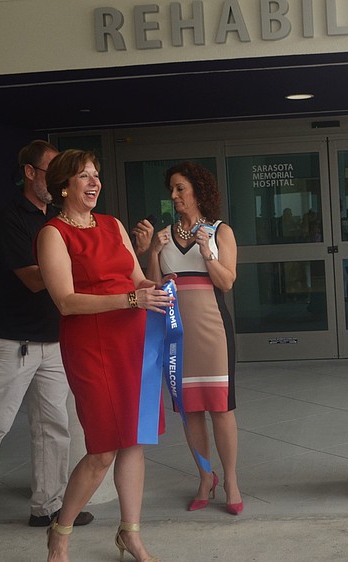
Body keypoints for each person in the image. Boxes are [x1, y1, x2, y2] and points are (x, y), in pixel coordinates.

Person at [37, 149, 172, 562]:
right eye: (84, 177)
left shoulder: (113, 225)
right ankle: (60, 533)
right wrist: (132, 297)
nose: (95, 183)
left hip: (132, 341)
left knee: (135, 441)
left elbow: (138, 280)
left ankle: (130, 534)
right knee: (101, 450)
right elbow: (65, 301)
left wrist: (165, 287)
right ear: (64, 186)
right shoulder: (53, 233)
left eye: (96, 175)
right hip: (90, 345)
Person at [0, 141, 94, 556]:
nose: (57, 178)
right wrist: (82, 265)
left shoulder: (58, 218)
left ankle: (48, 506)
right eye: (51, 170)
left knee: (54, 427)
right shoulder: (9, 218)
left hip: (55, 340)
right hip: (11, 342)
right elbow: (36, 279)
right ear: (30, 173)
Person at [136, 162, 243, 516]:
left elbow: (227, 282)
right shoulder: (164, 235)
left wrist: (208, 254)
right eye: (172, 189)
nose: (174, 195)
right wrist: (151, 253)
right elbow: (152, 287)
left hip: (213, 330)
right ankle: (204, 476)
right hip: (176, 333)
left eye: (181, 188)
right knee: (189, 410)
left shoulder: (220, 231)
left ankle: (230, 480)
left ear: (198, 190)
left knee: (221, 409)